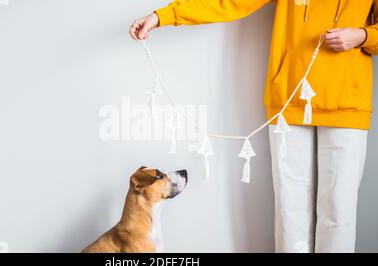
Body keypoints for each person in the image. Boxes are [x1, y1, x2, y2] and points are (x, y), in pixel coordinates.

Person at [129, 0, 377, 253]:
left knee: (338, 213)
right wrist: (163, 16)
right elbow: (229, 2)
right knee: (290, 210)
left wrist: (363, 35)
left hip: (348, 102)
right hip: (287, 103)